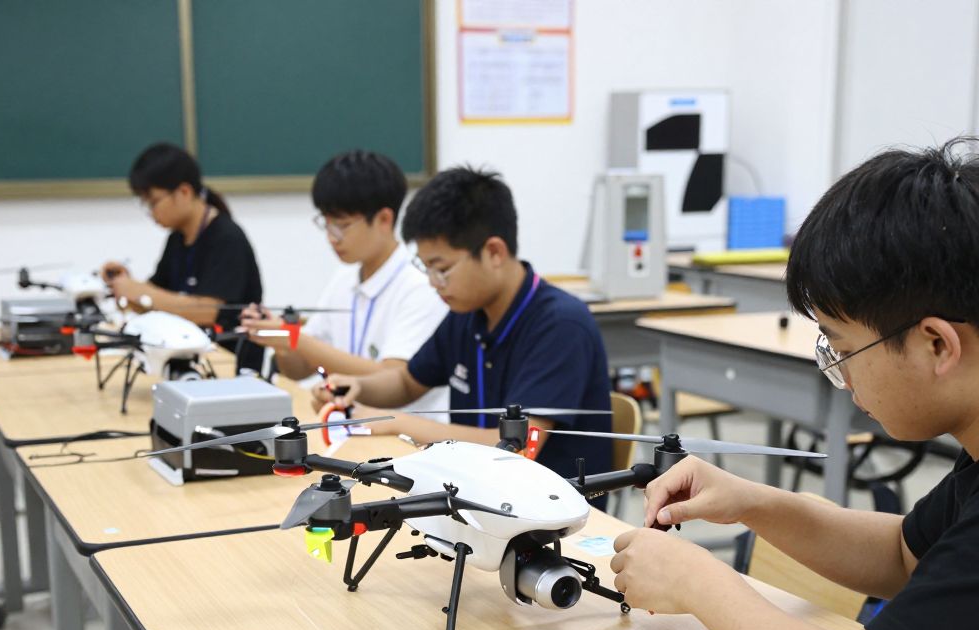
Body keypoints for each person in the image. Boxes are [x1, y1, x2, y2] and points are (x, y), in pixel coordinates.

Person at [609, 139, 979, 630]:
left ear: (937, 345)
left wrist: (697, 579)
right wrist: (752, 503)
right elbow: (905, 555)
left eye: (843, 348)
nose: (844, 379)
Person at [324, 166, 613, 493]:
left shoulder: (560, 325)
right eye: (427, 268)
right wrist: (357, 387)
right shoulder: (468, 311)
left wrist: (398, 423)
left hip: (547, 515)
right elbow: (407, 381)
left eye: (442, 269)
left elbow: (515, 450)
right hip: (475, 494)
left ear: (493, 252)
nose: (433, 283)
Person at [239, 149, 448, 412]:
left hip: (402, 437)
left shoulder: (421, 286)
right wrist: (278, 337)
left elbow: (392, 376)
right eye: (325, 224)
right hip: (346, 425)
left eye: (342, 225)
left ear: (384, 219)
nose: (331, 237)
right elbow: (299, 369)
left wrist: (294, 338)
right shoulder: (345, 277)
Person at [102, 143, 263, 331]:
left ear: (184, 192)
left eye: (153, 202)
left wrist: (139, 292)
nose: (151, 213)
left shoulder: (227, 238)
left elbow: (209, 311)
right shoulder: (177, 238)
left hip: (227, 356)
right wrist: (124, 287)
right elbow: (155, 302)